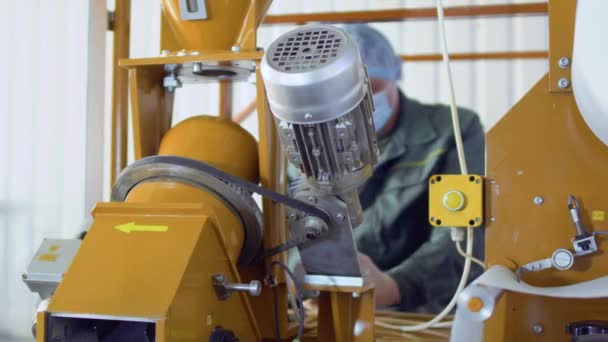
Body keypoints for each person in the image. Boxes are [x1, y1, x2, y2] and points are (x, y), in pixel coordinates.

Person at [341, 24, 486, 312]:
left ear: (395, 73)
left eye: (371, 87)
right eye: (345, 93)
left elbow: (461, 236)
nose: (360, 102)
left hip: (422, 312)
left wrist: (396, 286)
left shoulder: (452, 131)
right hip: (323, 307)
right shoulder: (304, 145)